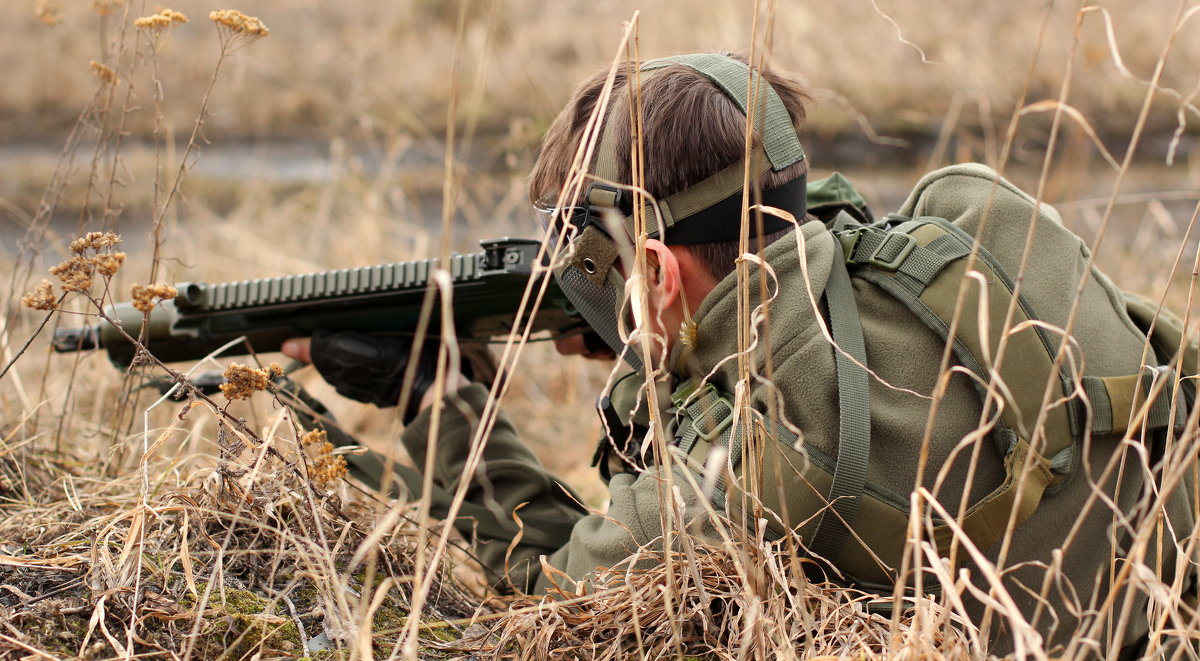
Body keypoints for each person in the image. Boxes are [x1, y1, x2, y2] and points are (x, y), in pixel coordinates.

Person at [282, 53, 1194, 655]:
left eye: (597, 275)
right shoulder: (964, 239)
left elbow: (546, 597)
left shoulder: (737, 464)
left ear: (651, 267)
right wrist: (657, 345)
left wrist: (443, 400)